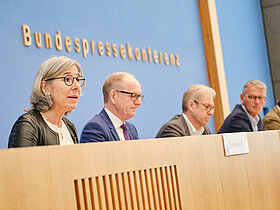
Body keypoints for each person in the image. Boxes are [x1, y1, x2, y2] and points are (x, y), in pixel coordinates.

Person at [8, 56, 85, 147]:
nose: (76, 86)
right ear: (45, 88)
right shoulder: (28, 126)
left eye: (77, 79)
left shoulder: (69, 127)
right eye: (67, 79)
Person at [80, 72, 143, 142]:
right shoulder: (95, 128)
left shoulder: (132, 129)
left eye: (139, 97)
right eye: (133, 96)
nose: (139, 103)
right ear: (113, 96)